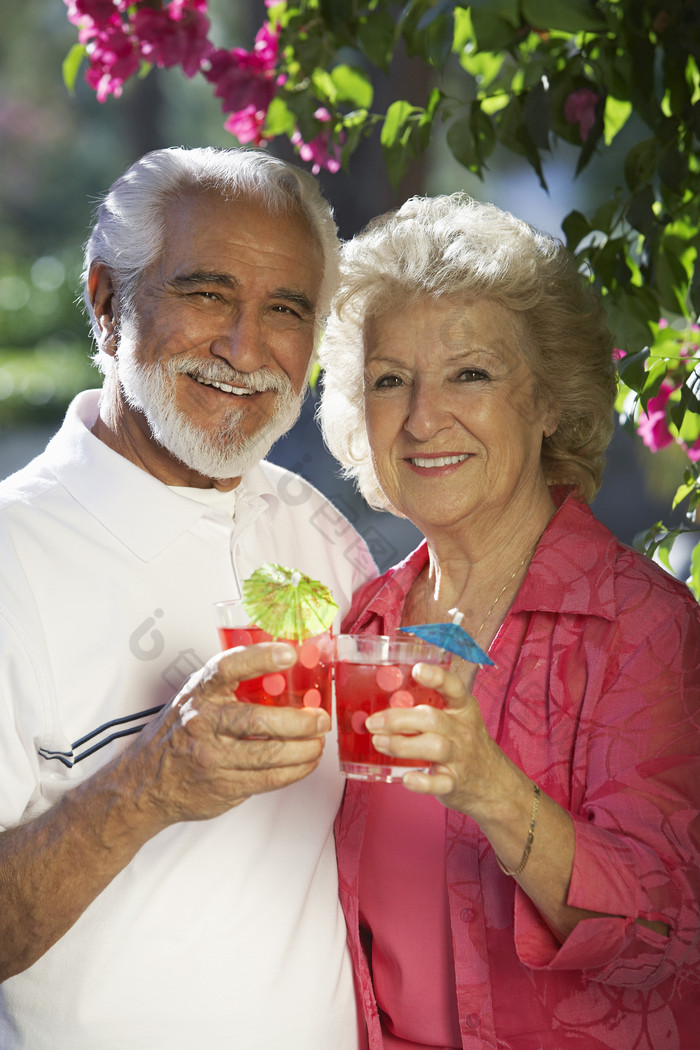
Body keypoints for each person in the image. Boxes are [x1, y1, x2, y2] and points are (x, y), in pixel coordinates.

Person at [0, 146, 376, 1049]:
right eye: (207, 293)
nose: (245, 349)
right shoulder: (14, 557)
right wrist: (149, 786)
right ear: (105, 301)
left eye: (285, 309)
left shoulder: (321, 535)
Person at [317, 194, 700, 1050]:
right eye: (389, 381)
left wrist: (489, 785)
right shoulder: (367, 620)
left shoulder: (643, 627)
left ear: (549, 403)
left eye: (471, 373)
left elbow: (664, 937)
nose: (422, 417)